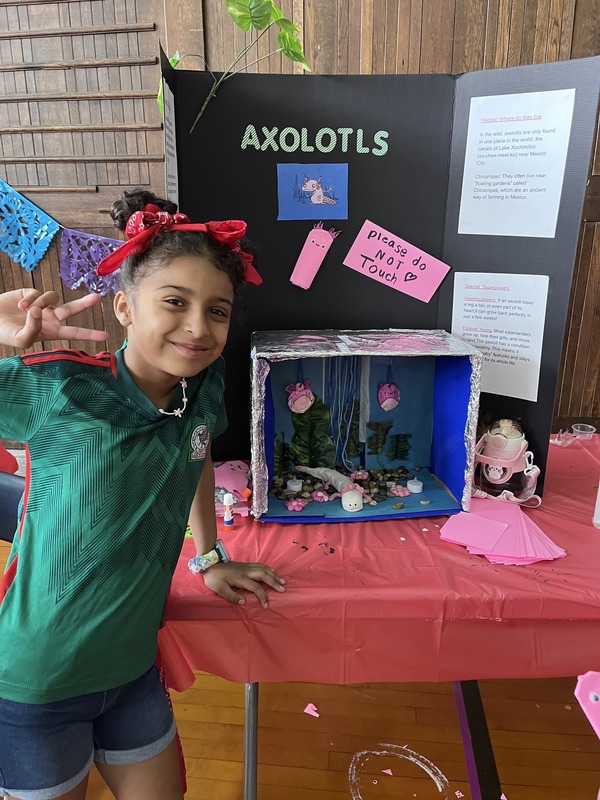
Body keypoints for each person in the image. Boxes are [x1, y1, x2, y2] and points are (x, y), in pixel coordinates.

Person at [0, 189, 286, 800]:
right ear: (125, 308)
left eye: (217, 310)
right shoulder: (61, 389)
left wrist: (209, 557)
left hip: (131, 673)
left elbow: (198, 449)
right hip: (36, 680)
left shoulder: (200, 389)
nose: (197, 327)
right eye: (175, 303)